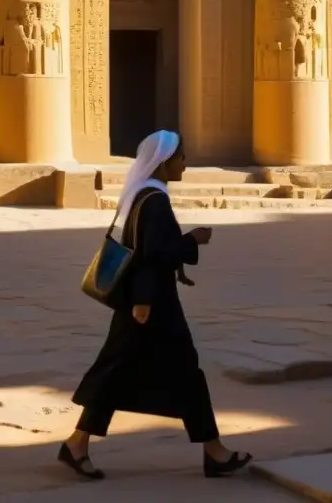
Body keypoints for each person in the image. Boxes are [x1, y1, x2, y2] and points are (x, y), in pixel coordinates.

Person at [59, 130, 252, 480]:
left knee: (156, 372)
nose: (184, 163)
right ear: (164, 162)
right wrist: (191, 241)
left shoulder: (144, 196)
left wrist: (174, 269)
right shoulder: (155, 201)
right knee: (139, 372)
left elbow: (151, 249)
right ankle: (77, 443)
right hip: (150, 306)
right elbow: (153, 255)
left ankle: (213, 450)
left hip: (146, 300)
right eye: (181, 157)